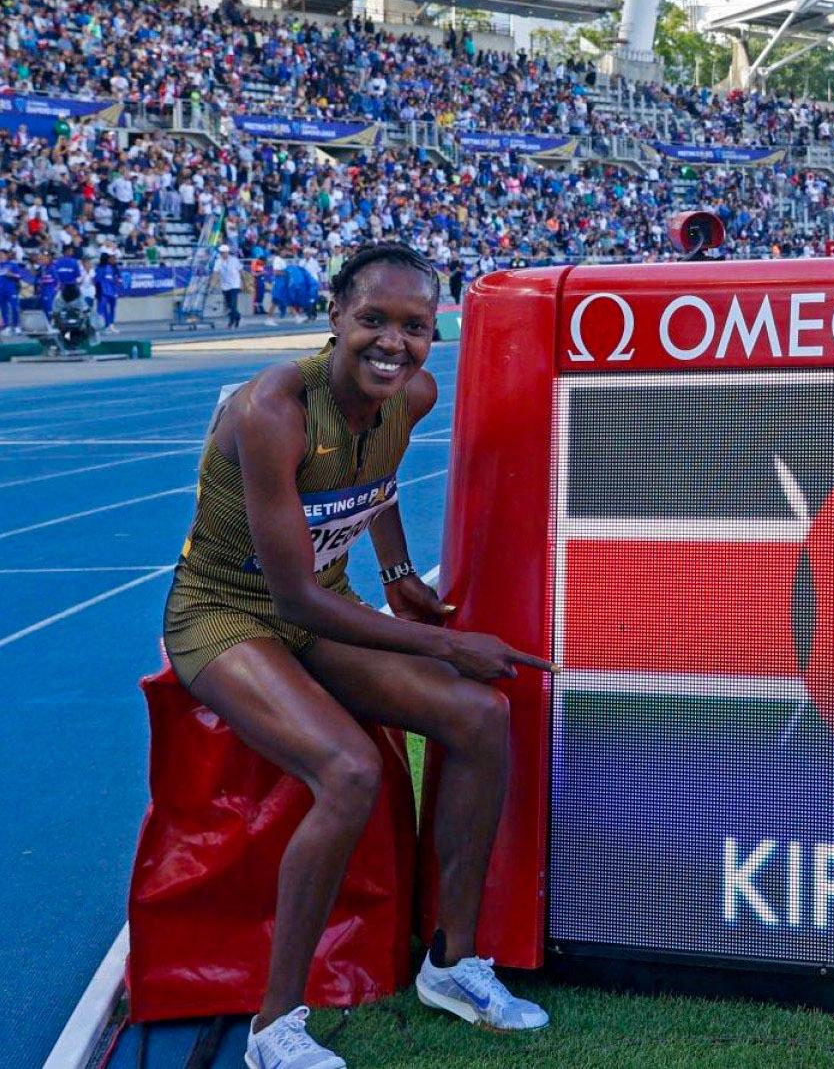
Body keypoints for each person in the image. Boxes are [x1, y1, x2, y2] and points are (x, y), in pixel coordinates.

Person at [161, 243, 552, 1069]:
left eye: (414, 326)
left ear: (431, 338)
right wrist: (447, 641)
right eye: (373, 319)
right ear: (335, 316)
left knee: (479, 715)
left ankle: (452, 965)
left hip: (320, 603)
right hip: (227, 612)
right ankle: (275, 1029)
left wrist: (401, 572)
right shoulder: (274, 409)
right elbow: (295, 600)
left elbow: (373, 484)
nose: (393, 341)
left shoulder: (411, 394)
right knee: (349, 771)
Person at [214, 242, 243, 329]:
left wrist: (242, 283)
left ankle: (231, 323)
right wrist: (214, 283)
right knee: (230, 306)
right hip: (225, 286)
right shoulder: (218, 261)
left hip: (234, 285)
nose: (223, 254)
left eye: (224, 252)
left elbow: (241, 271)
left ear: (227, 252)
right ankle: (238, 317)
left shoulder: (234, 260)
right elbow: (216, 272)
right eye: (221, 252)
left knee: (233, 304)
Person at [93, 247, 122, 331]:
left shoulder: (114, 268)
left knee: (112, 308)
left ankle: (111, 324)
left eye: (114, 257)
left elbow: (118, 278)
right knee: (102, 309)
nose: (114, 259)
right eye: (111, 257)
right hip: (104, 292)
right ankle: (104, 325)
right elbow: (97, 280)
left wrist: (118, 281)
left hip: (113, 291)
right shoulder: (100, 268)